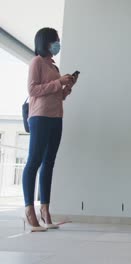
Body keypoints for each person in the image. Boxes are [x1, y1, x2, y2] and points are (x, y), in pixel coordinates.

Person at [23, 27, 77, 232]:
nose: (58, 44)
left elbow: (57, 94)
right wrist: (58, 83)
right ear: (45, 42)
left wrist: (66, 88)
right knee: (34, 160)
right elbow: (33, 89)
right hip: (39, 116)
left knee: (49, 163)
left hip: (56, 117)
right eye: (56, 40)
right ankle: (29, 209)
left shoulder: (53, 66)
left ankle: (45, 210)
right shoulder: (36, 62)